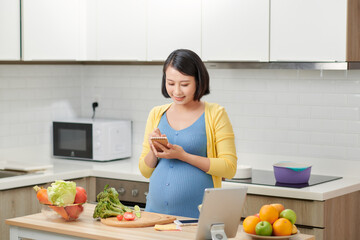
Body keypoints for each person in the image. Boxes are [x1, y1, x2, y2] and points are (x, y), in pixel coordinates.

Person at [139, 49, 237, 218]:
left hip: (196, 218)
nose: (177, 91)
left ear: (198, 81)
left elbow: (229, 168)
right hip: (154, 216)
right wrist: (153, 150)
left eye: (184, 84)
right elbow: (145, 170)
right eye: (170, 83)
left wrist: (183, 156)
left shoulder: (215, 114)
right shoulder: (157, 114)